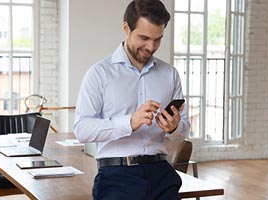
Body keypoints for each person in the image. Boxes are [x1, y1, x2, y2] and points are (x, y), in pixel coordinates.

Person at [73, 0, 190, 199]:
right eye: (144, 37)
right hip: (117, 176)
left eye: (157, 39)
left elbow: (183, 131)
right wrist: (129, 122)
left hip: (162, 173)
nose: (151, 46)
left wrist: (174, 127)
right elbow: (82, 129)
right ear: (126, 28)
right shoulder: (99, 74)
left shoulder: (170, 74)